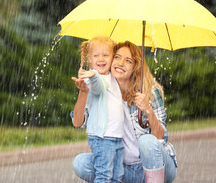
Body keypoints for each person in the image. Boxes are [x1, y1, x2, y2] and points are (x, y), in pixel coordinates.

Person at [72, 41, 177, 183]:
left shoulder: (149, 91)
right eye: (117, 57)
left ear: (135, 67)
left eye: (128, 61)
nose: (121, 63)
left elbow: (160, 138)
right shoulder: (101, 87)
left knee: (147, 141)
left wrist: (148, 110)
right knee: (81, 163)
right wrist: (83, 92)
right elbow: (78, 123)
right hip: (124, 169)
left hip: (158, 166)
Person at [71, 36, 125, 183]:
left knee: (117, 176)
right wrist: (93, 76)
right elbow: (98, 87)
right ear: (89, 58)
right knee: (103, 175)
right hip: (103, 137)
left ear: (113, 57)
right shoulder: (91, 78)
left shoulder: (112, 77)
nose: (101, 59)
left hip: (116, 137)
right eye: (96, 55)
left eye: (106, 55)